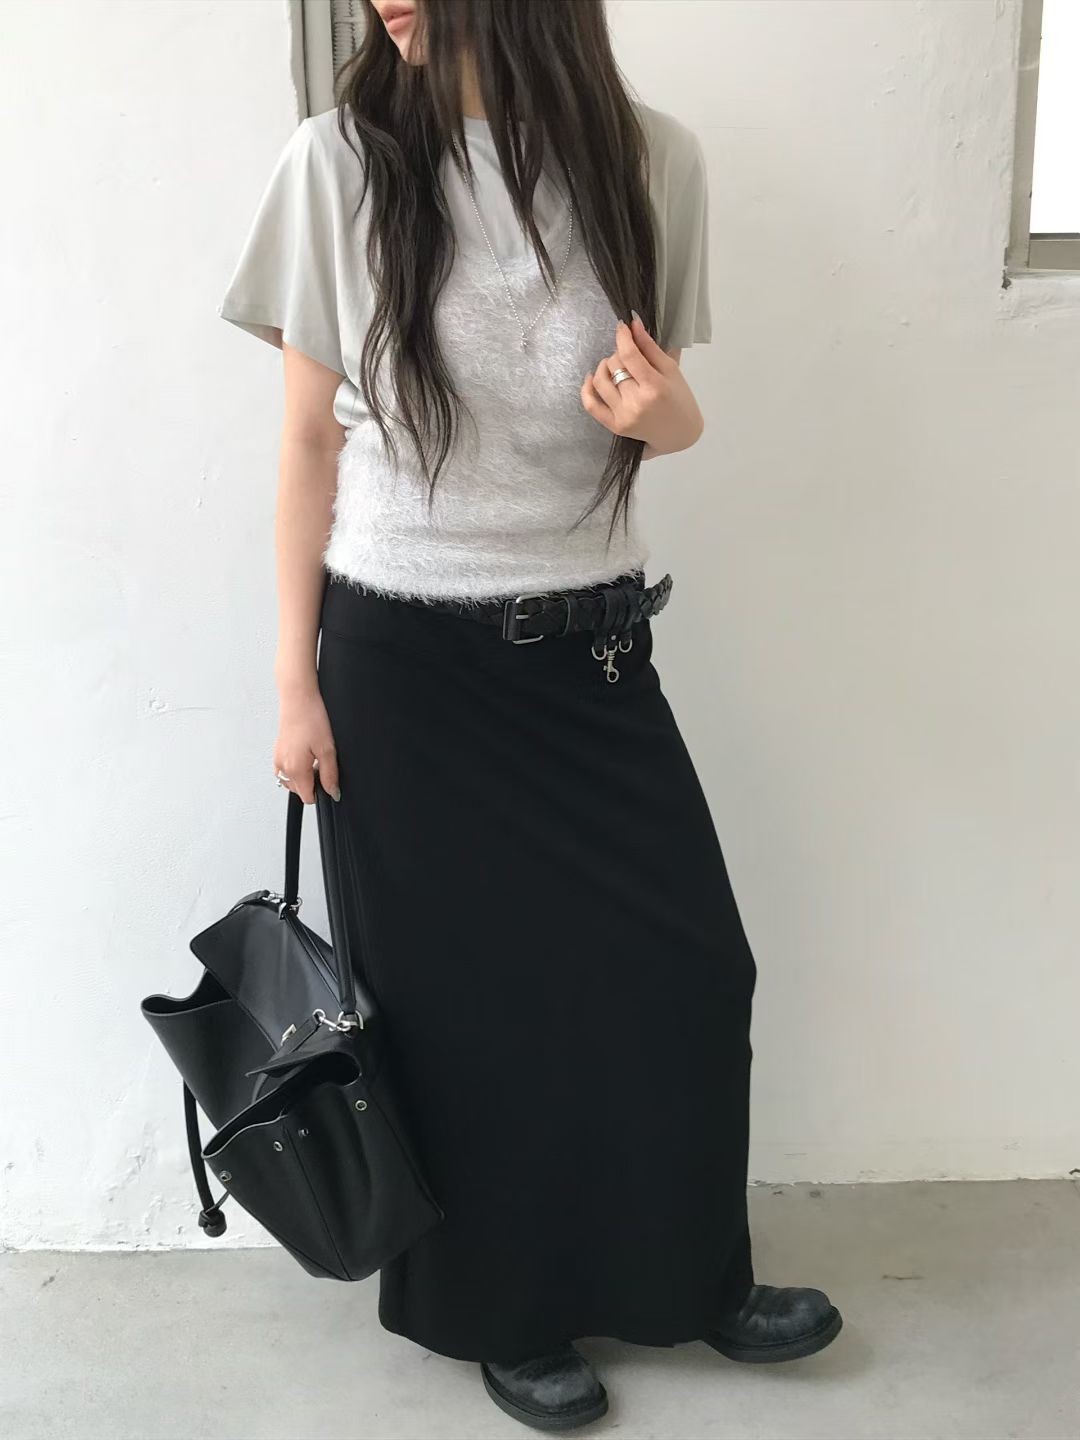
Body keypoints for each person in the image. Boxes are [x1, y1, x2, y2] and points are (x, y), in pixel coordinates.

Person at [218, 0, 842, 1429]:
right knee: (466, 1015)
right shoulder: (340, 162)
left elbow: (666, 407)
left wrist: (672, 423)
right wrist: (294, 682)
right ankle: (505, 1310)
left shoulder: (650, 160)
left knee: (691, 973)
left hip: (592, 653)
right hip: (404, 663)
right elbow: (308, 439)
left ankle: (695, 1277)